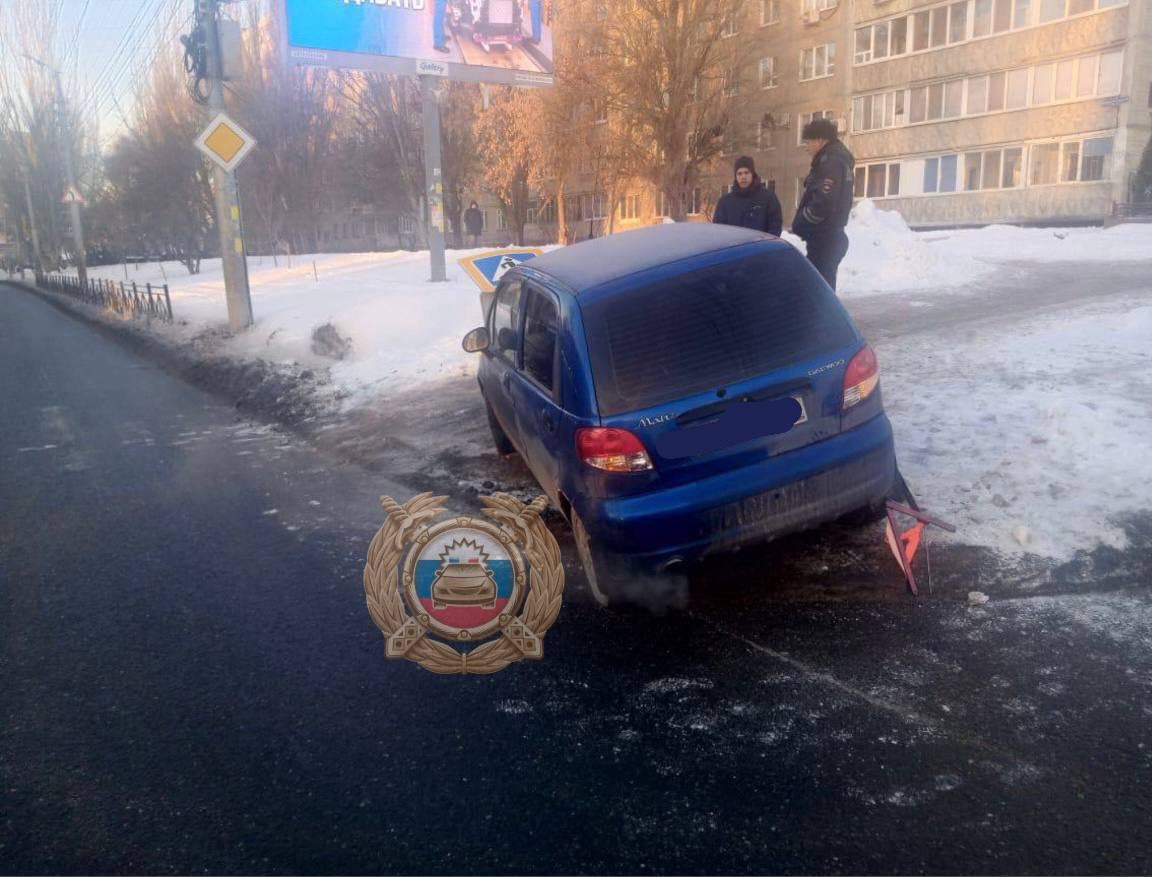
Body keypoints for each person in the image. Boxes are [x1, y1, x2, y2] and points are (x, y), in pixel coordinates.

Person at [792, 117, 855, 290]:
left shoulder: (831, 162)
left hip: (825, 239)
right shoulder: (833, 160)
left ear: (820, 140)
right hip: (827, 238)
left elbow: (824, 202)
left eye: (808, 141)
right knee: (822, 290)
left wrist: (802, 222)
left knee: (818, 292)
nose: (806, 147)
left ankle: (825, 318)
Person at [711, 156, 783, 237]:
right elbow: (718, 231)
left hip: (761, 248)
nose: (743, 177)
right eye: (739, 173)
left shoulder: (768, 198)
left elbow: (775, 228)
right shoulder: (725, 202)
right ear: (736, 176)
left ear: (752, 174)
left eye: (746, 172)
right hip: (733, 248)